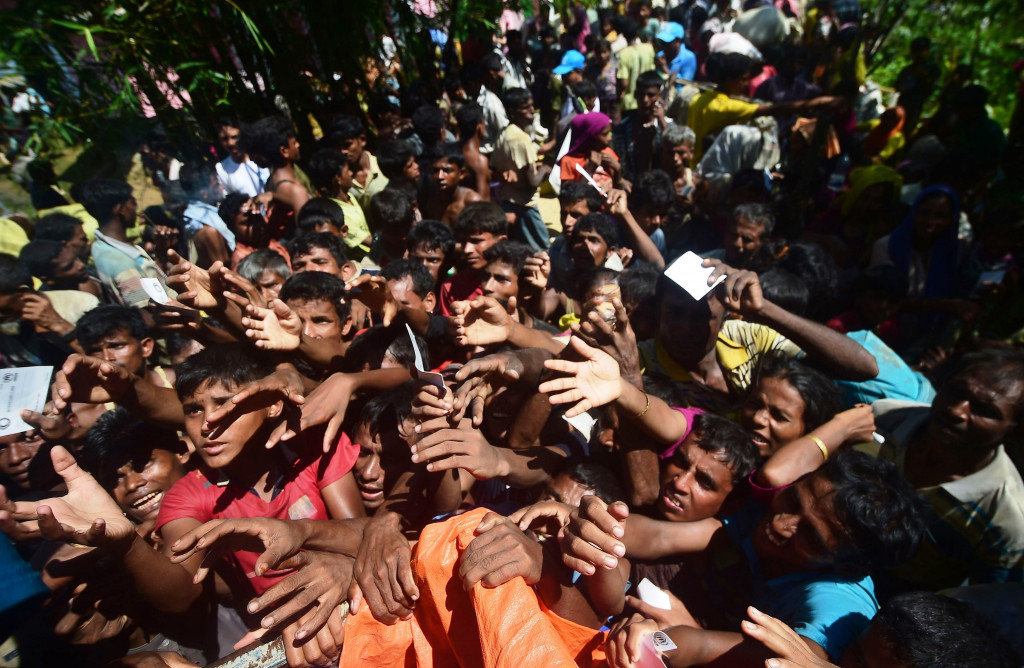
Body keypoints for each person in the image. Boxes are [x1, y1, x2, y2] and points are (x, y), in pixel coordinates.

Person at [869, 348, 1024, 591]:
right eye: (956, 391)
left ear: (1015, 431)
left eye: (984, 410)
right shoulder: (881, 419)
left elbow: (981, 602)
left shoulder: (1005, 516)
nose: (956, 410)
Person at [687, 52, 840, 165]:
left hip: (695, 163)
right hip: (710, 168)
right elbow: (775, 109)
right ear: (729, 80)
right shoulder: (726, 107)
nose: (746, 84)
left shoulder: (699, 98)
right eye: (743, 79)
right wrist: (819, 102)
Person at [77, 178, 175, 308]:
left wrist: (160, 252)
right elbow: (148, 315)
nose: (136, 208)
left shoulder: (99, 246)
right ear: (121, 209)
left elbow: (152, 283)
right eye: (132, 203)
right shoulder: (123, 266)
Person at [492, 88, 551, 251]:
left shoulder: (503, 134)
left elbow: (498, 167)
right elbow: (532, 182)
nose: (532, 111)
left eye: (532, 106)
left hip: (508, 202)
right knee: (542, 251)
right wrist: (545, 169)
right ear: (512, 112)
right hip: (525, 206)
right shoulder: (521, 139)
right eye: (526, 108)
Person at [239, 116, 310, 238]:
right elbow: (309, 234)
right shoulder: (295, 190)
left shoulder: (271, 182)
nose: (298, 145)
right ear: (284, 151)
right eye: (293, 142)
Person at [439, 202, 508, 315]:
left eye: (476, 241)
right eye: (463, 242)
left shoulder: (518, 282)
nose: (467, 250)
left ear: (501, 242)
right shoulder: (451, 288)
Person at [326, 114, 389, 211]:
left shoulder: (383, 165)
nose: (343, 151)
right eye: (338, 147)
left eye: (347, 145)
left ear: (362, 140)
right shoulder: (340, 181)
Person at [421, 142, 482, 226]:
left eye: (447, 171)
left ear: (461, 174)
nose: (440, 176)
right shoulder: (432, 201)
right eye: (435, 171)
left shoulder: (471, 202)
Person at [213, 116, 269, 197]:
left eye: (234, 137)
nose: (230, 143)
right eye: (225, 139)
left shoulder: (261, 156)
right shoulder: (221, 169)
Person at [405, 219, 456, 288]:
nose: (423, 265)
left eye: (433, 260)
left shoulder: (458, 292)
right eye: (416, 259)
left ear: (448, 263)